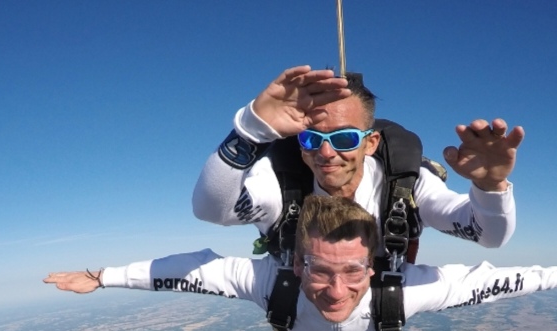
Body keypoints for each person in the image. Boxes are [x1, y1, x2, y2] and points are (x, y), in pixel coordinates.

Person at [44, 196, 557, 331]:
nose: (337, 291)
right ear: (295, 263)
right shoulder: (270, 280)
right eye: (319, 271)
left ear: (377, 265)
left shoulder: (402, 293)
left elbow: (487, 283)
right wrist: (102, 276)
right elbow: (194, 272)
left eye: (354, 272)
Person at [191, 66, 524, 257]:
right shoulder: (282, 181)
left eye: (345, 139)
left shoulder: (404, 185)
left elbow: (490, 236)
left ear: (371, 143)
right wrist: (251, 129)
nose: (325, 153)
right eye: (311, 139)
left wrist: (490, 185)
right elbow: (211, 209)